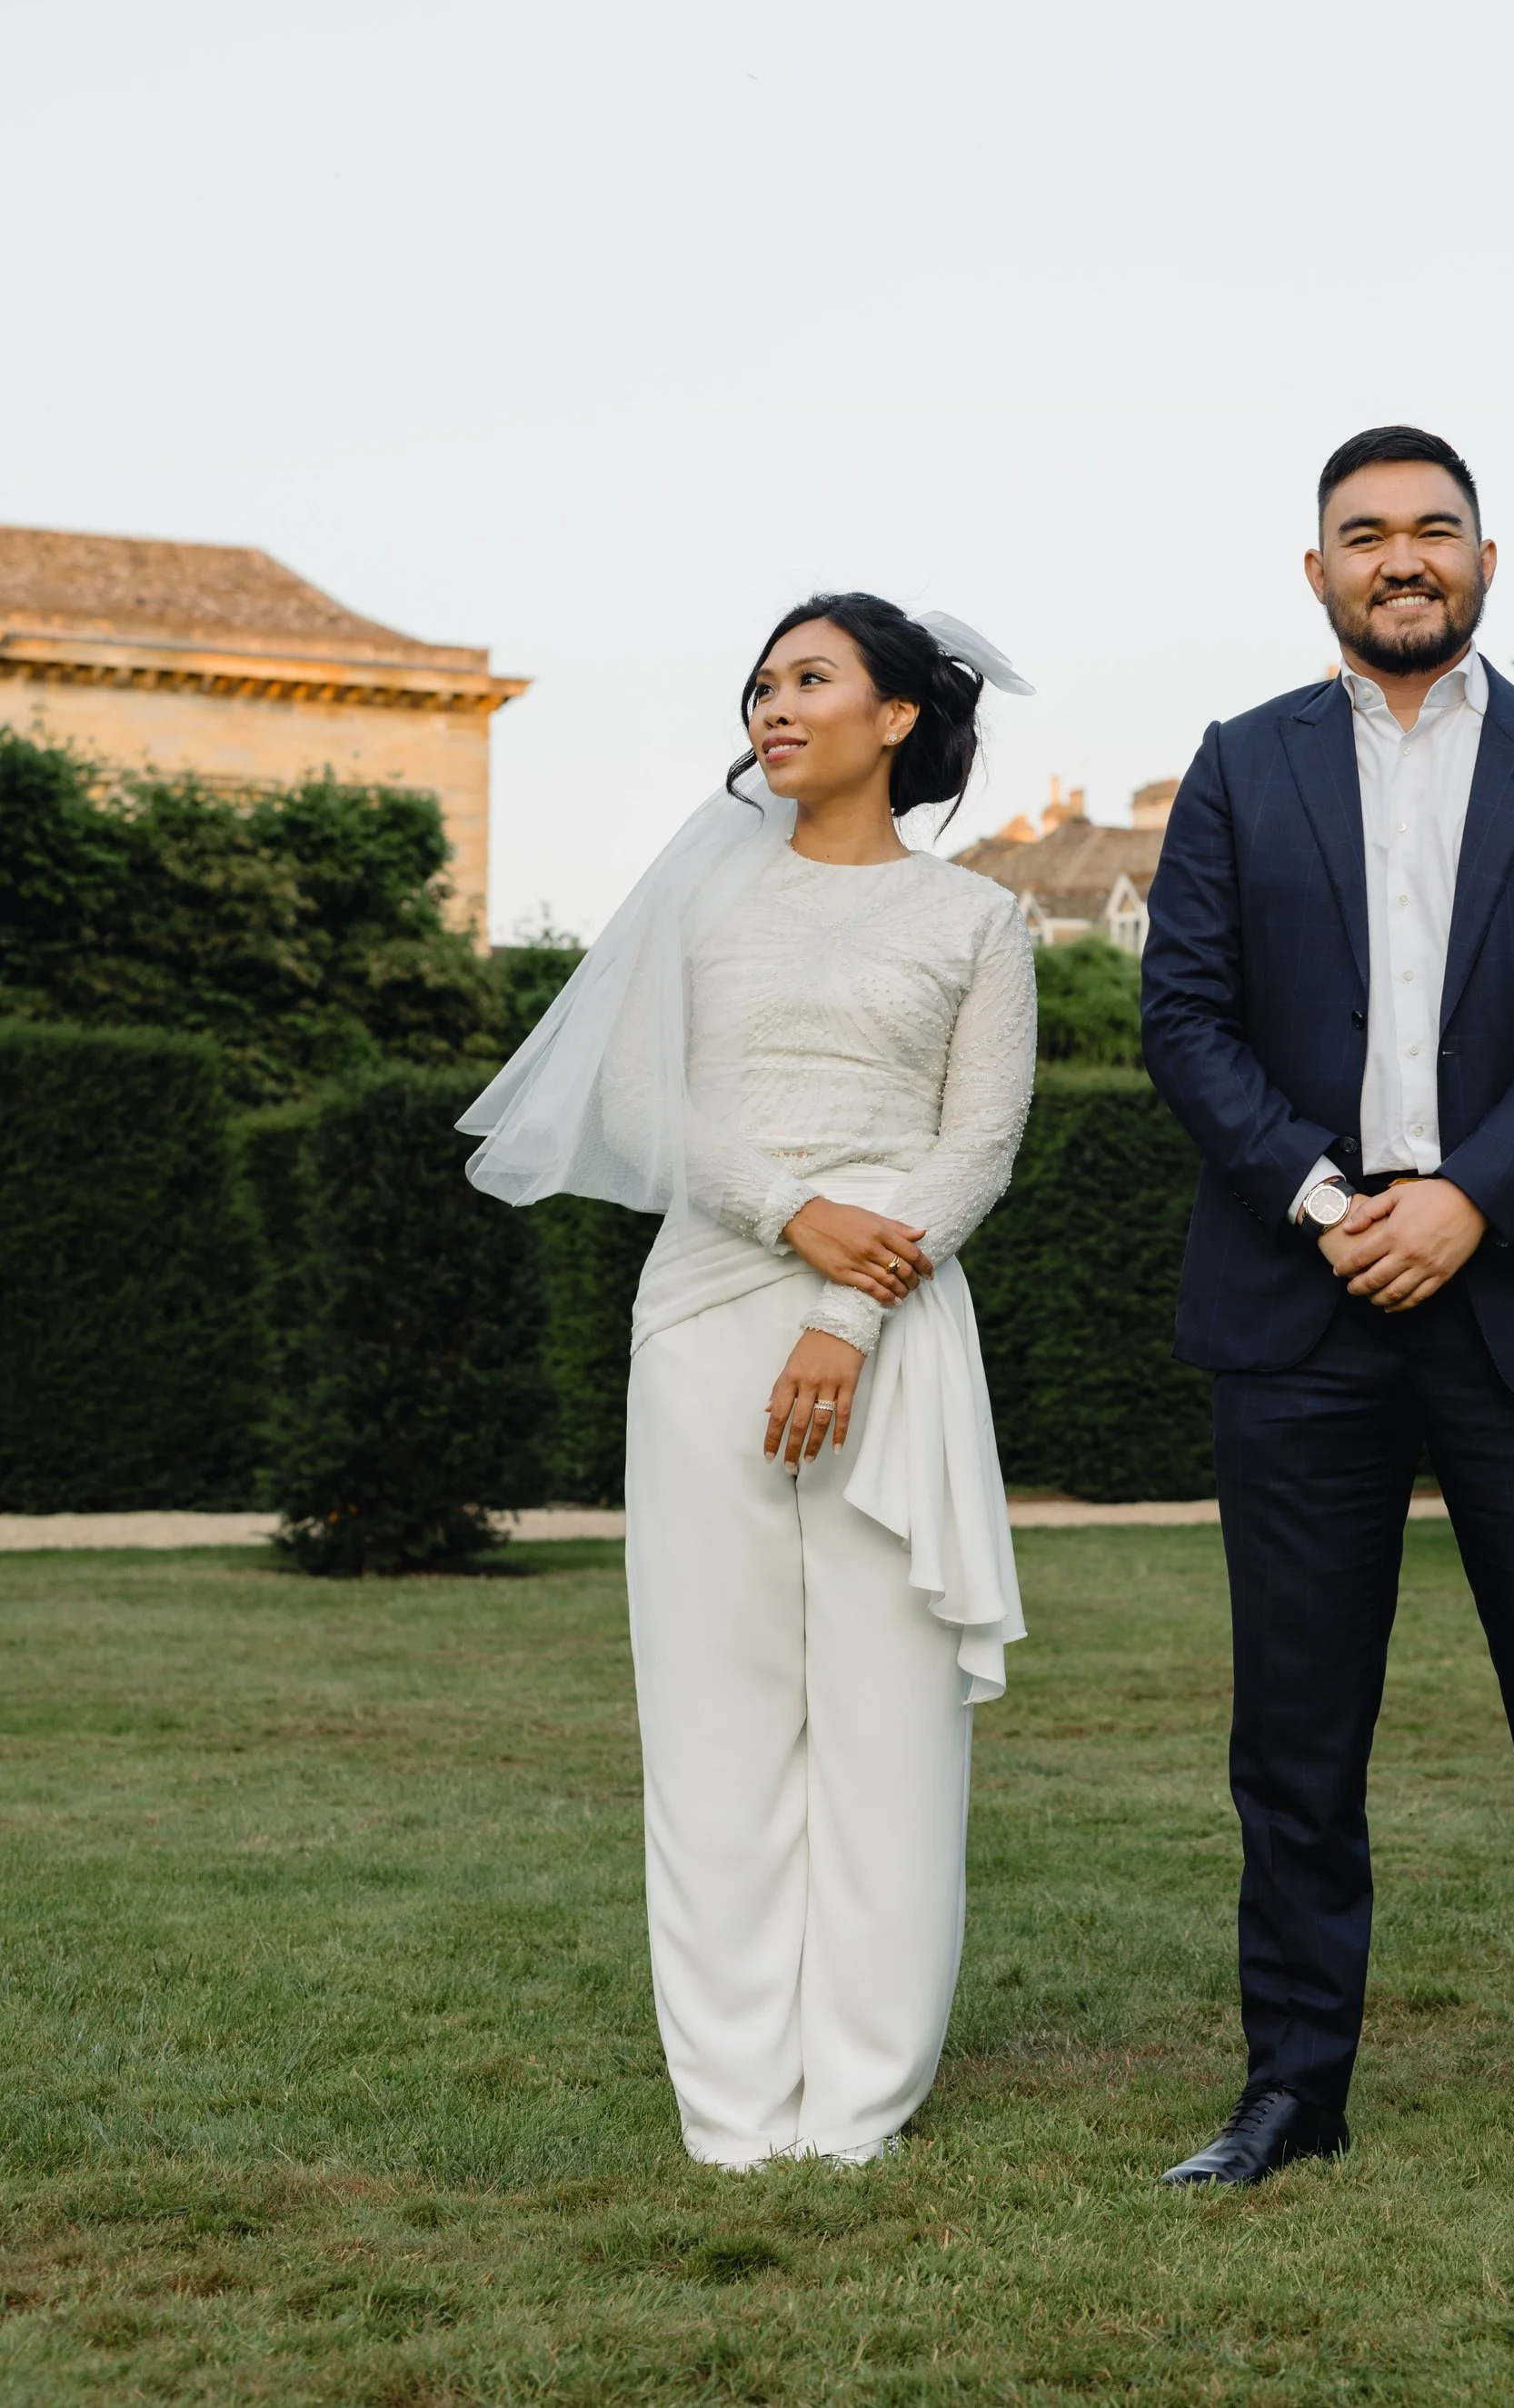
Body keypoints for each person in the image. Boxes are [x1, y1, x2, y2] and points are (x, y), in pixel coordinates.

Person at [1140, 427, 1514, 2193]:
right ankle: (1290, 2091)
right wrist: (1329, 1202)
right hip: (1298, 1301)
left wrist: (1467, 1198)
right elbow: (1183, 1019)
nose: (1401, 555)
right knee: (1294, 1735)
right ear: (1316, 570)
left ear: (1484, 559)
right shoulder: (1239, 765)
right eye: (1364, 531)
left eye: (1433, 528)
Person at [460, 595, 1036, 2170]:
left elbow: (977, 1145)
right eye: (762, 685)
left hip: (894, 1330)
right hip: (705, 1310)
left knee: (890, 1725)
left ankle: (857, 2105)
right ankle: (731, 2109)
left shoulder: (979, 922)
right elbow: (642, 1099)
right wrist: (790, 1214)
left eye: (809, 679)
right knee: (712, 1717)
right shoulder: (700, 905)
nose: (773, 707)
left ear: (896, 715)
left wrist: (846, 1313)